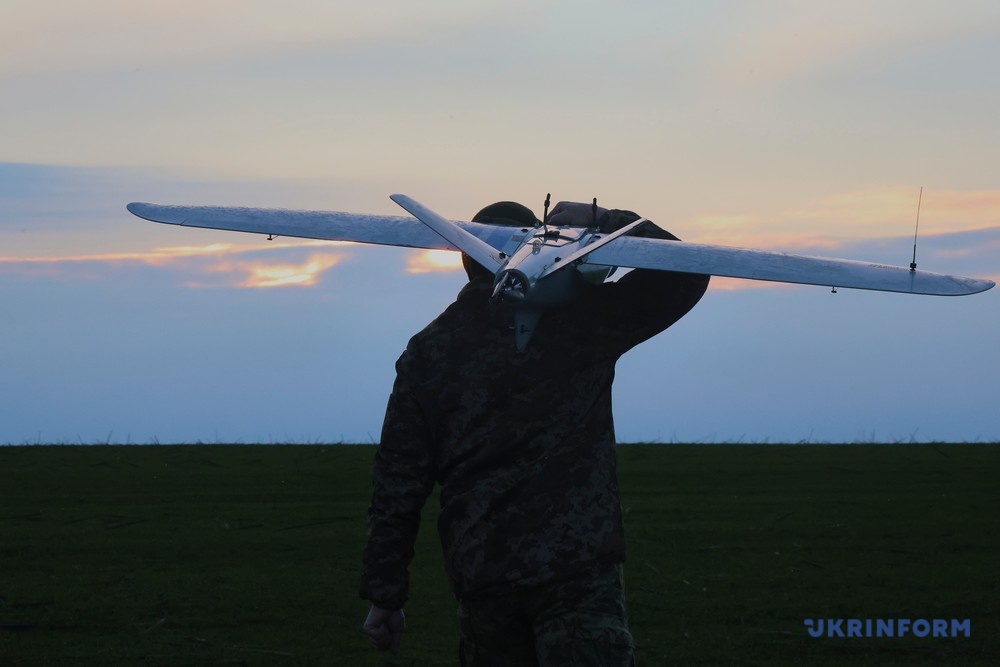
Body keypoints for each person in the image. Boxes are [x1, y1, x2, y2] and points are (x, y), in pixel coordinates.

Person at [360, 199, 710, 666]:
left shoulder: (429, 350)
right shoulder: (583, 324)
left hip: (481, 571)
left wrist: (385, 595)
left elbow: (397, 482)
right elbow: (686, 272)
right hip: (577, 573)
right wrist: (605, 221)